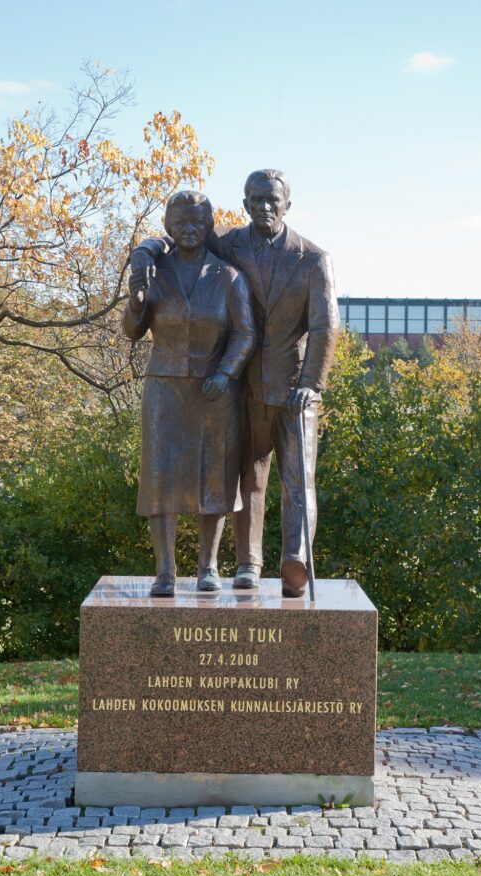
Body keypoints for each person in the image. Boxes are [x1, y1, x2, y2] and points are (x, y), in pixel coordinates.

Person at [131, 169, 339, 597]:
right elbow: (179, 235)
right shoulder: (227, 244)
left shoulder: (314, 259)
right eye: (255, 199)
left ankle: (295, 561)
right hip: (244, 386)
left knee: (298, 479)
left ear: (287, 204)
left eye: (272, 200)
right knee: (248, 477)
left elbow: (324, 327)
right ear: (244, 204)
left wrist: (312, 384)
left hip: (294, 386)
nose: (264, 206)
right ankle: (249, 564)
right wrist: (143, 252)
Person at [123, 190, 255, 596]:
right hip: (163, 388)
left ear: (210, 224)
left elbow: (245, 332)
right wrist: (136, 300)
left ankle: (208, 568)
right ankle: (164, 572)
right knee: (160, 478)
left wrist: (226, 373)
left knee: (213, 478)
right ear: (167, 226)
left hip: (214, 393)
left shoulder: (228, 277)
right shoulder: (155, 270)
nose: (189, 230)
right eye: (180, 223)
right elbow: (131, 332)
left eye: (197, 222)